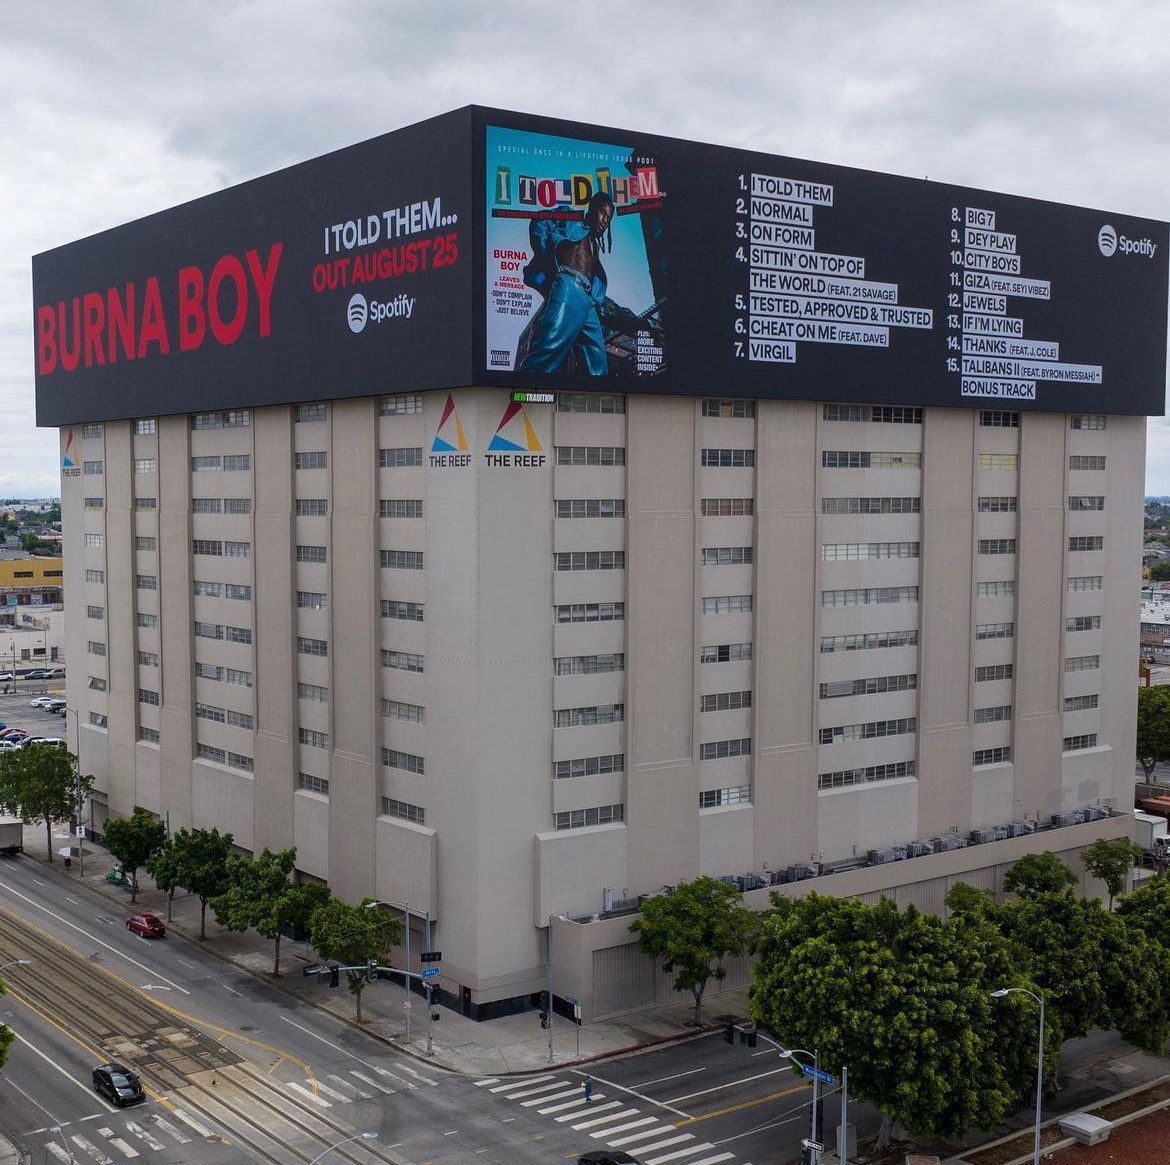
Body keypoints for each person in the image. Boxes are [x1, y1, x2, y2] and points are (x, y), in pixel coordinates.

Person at [520, 192, 615, 376]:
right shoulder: (571, 217)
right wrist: (547, 255)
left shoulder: (595, 247)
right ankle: (524, 396)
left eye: (609, 218)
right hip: (569, 286)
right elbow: (539, 221)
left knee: (599, 368)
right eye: (602, 212)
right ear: (592, 208)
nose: (605, 220)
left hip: (588, 303)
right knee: (546, 356)